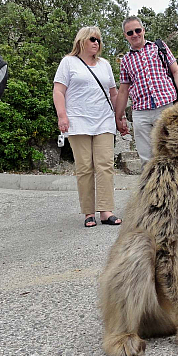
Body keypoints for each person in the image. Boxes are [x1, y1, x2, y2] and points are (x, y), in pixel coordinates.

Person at [53, 26, 122, 228]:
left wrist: (120, 117)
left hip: (104, 121)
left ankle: (106, 211)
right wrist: (62, 115)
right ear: (82, 40)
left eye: (99, 40)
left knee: (105, 166)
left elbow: (114, 93)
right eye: (92, 39)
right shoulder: (68, 62)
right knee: (84, 168)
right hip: (78, 121)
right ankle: (88, 212)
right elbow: (58, 91)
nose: (96, 43)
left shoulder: (105, 65)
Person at [114, 16, 178, 166]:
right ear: (125, 36)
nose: (134, 34)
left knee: (172, 153)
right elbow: (123, 91)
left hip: (166, 107)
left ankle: (174, 188)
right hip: (141, 112)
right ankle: (151, 188)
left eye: (137, 30)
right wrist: (119, 116)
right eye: (130, 33)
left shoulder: (159, 47)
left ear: (143, 30)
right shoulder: (125, 60)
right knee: (147, 159)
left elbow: (176, 72)